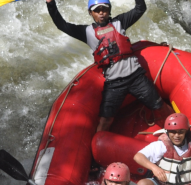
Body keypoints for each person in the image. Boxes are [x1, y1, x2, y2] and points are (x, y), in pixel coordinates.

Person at [46, 0, 163, 132]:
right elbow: (61, 25)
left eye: (104, 9)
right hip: (114, 84)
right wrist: (51, 4)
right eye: (97, 10)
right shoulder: (86, 32)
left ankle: (179, 128)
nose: (101, 13)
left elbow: (140, 8)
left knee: (159, 105)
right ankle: (98, 146)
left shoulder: (120, 22)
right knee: (105, 120)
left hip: (136, 77)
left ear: (109, 11)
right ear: (90, 13)